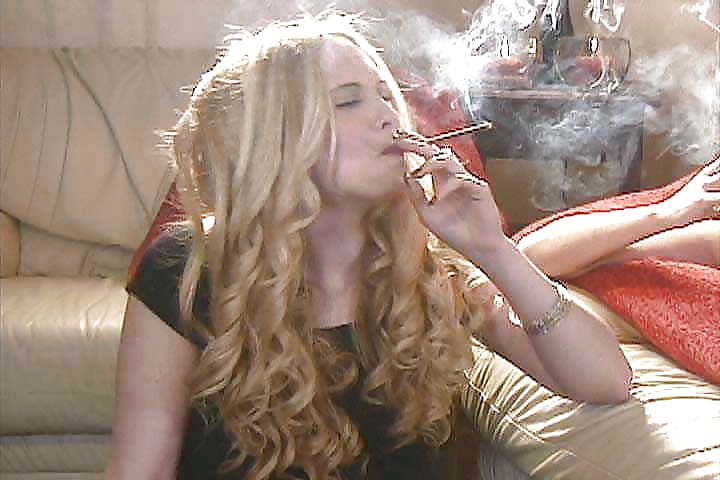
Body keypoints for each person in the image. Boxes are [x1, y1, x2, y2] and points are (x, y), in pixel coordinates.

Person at [105, 11, 631, 480]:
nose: (388, 115)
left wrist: (493, 248)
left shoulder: (430, 266)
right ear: (276, 136)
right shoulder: (186, 269)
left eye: (385, 95)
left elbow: (605, 380)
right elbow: (141, 468)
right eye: (348, 100)